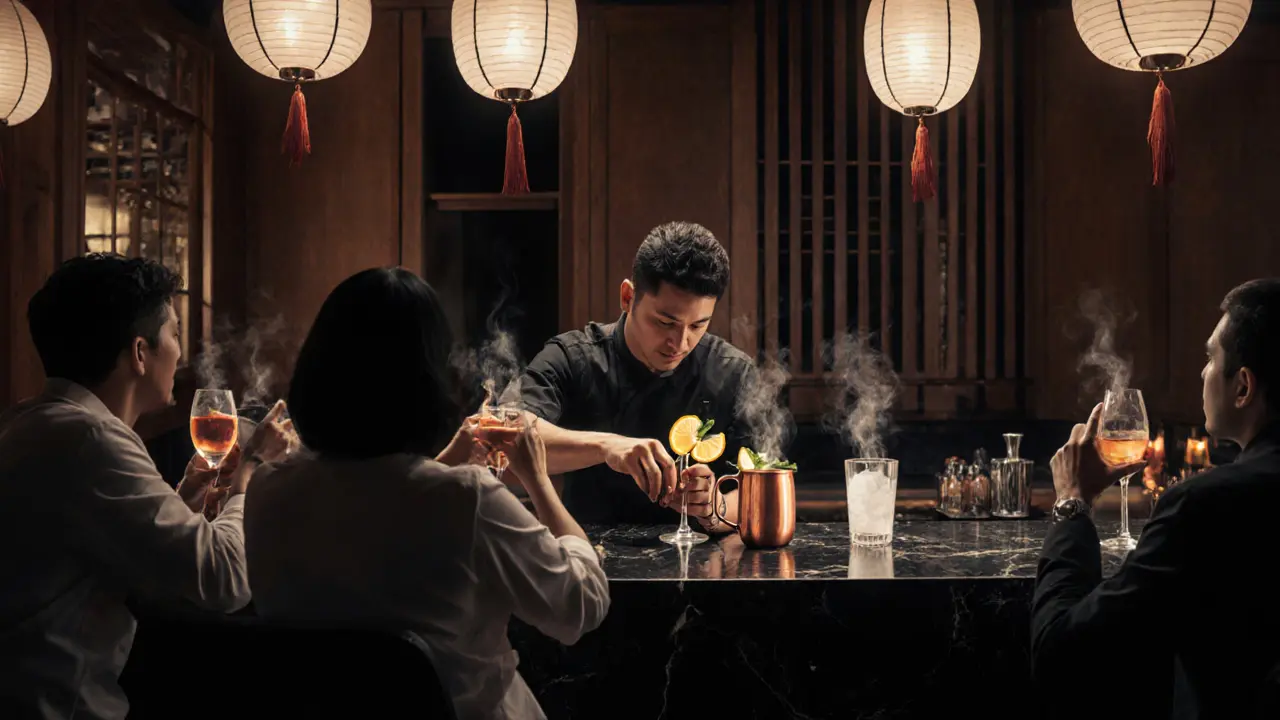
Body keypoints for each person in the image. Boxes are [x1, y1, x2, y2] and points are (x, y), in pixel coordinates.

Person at [243, 268, 609, 720]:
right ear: (430, 378)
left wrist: (445, 463)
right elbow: (581, 607)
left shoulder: (268, 489)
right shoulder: (467, 499)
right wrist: (537, 479)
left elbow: (376, 510)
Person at [0, 253, 294, 720]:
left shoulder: (30, 422)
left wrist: (188, 496)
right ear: (140, 352)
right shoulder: (91, 440)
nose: (181, 351)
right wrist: (251, 471)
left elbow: (120, 548)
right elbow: (225, 580)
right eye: (175, 333)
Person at [1032, 278, 1280, 718]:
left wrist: (1071, 502)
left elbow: (1063, 654)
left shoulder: (1204, 505)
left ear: (1242, 387)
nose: (1202, 373)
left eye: (1210, 358)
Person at [502, 221, 755, 527]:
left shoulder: (732, 372)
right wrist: (607, 447)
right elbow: (505, 435)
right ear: (627, 297)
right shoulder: (572, 357)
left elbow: (758, 491)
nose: (680, 342)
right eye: (664, 322)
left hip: (703, 564)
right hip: (588, 557)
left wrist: (714, 505)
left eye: (698, 325)